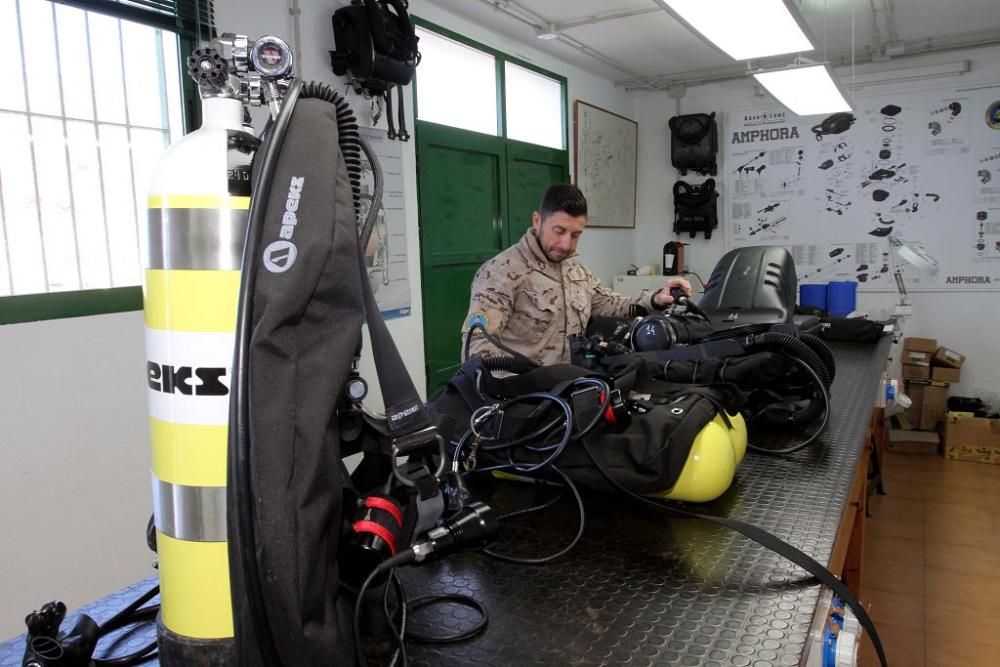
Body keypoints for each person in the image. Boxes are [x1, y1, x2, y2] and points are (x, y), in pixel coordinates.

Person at [462, 183, 692, 366]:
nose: (565, 244)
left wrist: (656, 298)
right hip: (523, 399)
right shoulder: (501, 272)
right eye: (559, 231)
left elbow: (608, 303)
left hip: (568, 389)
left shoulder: (573, 267)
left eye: (575, 235)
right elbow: (478, 345)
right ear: (537, 221)